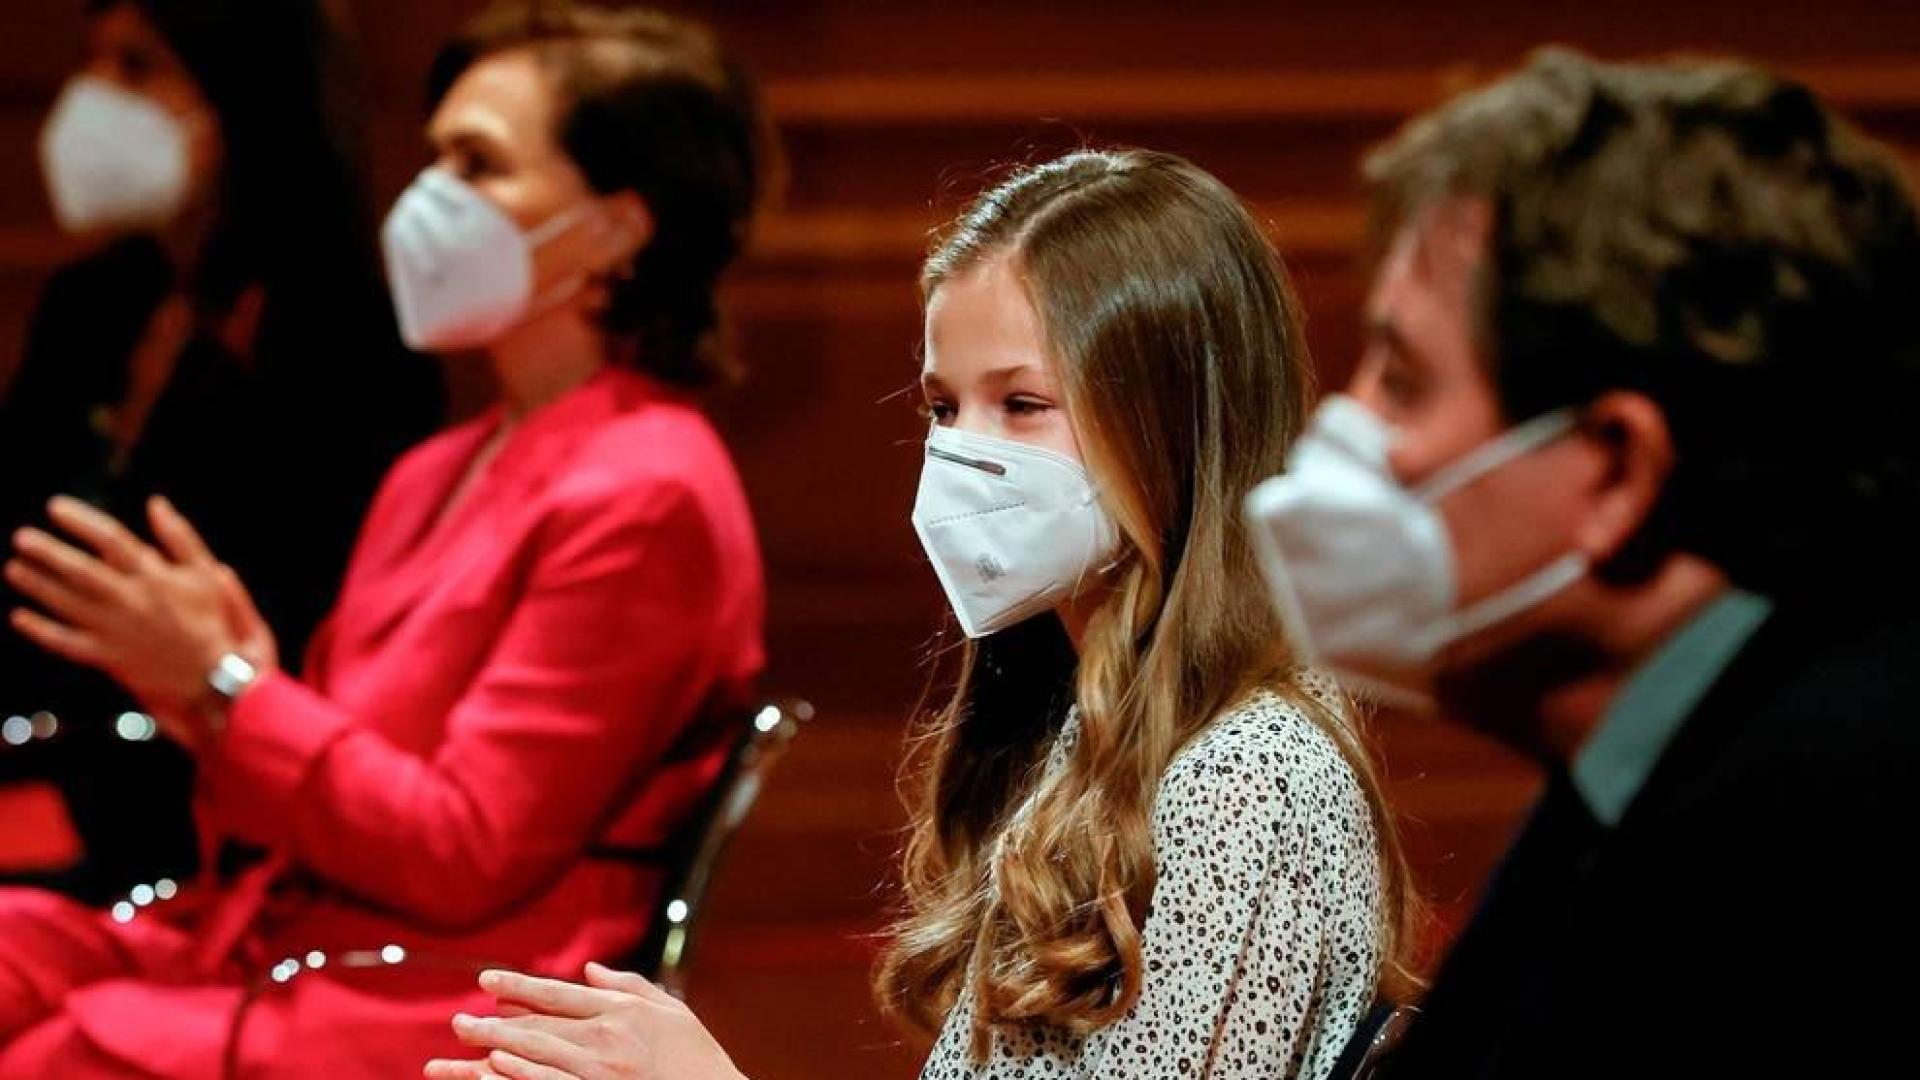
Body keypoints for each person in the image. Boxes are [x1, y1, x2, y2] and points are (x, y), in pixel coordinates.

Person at [430, 149, 1420, 1080]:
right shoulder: (1088, 726)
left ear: (1176, 425)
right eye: (943, 408)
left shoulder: (1242, 775)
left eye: (1021, 405)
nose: (961, 455)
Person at [0, 2, 770, 1075]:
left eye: (479, 164)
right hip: (301, 938)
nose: (430, 197)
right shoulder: (439, 467)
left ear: (616, 227)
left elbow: (462, 854)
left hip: (452, 996)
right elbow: (332, 782)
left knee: (51, 1056)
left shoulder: (649, 493)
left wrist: (228, 687)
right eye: (436, 156)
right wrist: (205, 689)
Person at [1244, 48, 1920, 1077]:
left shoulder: (1837, 855)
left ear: (1614, 471)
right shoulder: (1641, 774)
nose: (1345, 426)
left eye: (1403, 381)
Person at [0, 0, 443, 903]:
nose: (96, 96)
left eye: (138, 66)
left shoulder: (349, 335)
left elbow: (318, 620)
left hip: (199, 780)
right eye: (94, 61)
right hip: (42, 739)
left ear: (240, 99)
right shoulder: (96, 296)